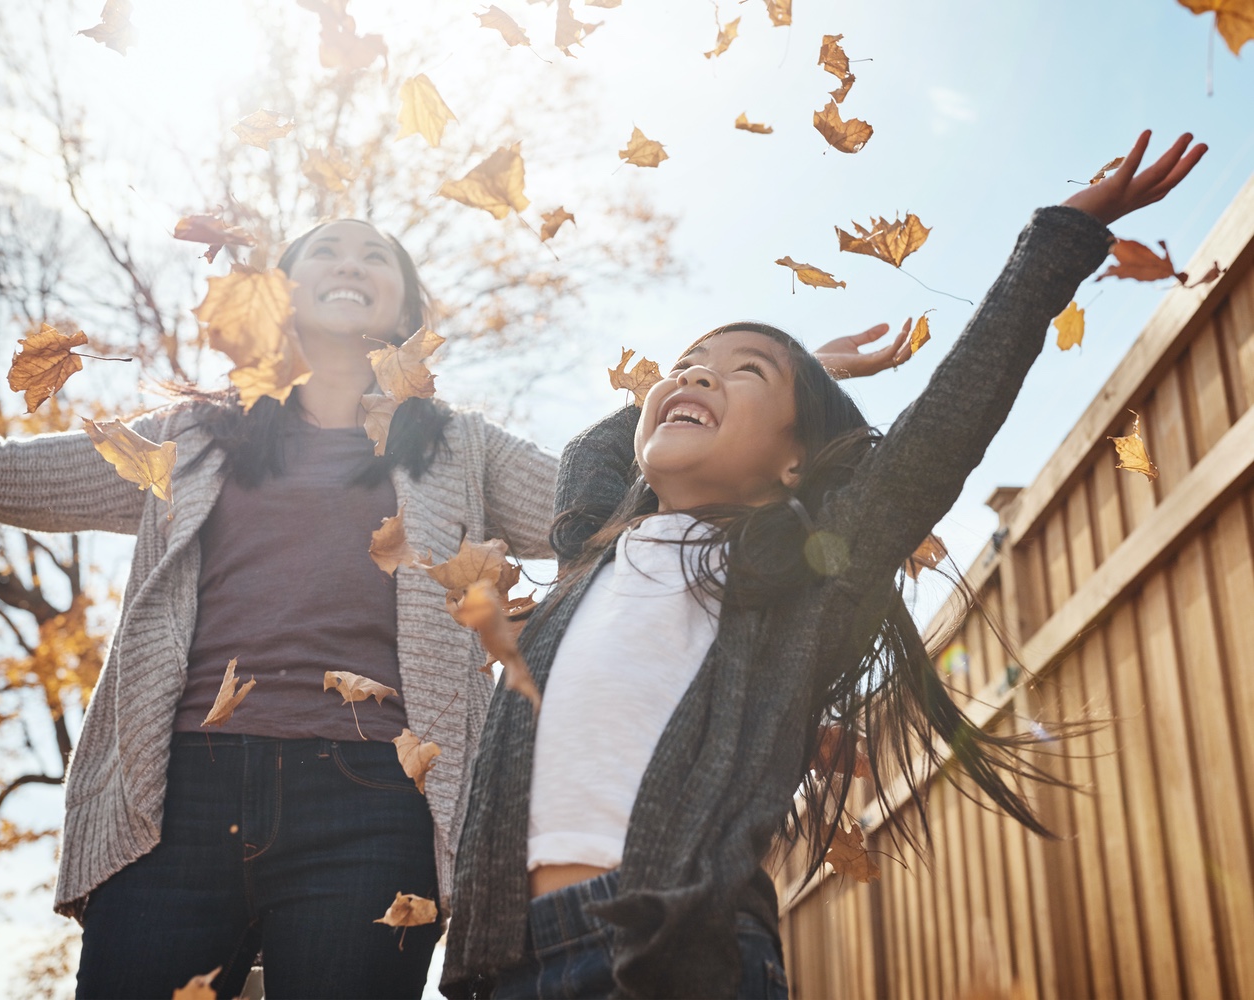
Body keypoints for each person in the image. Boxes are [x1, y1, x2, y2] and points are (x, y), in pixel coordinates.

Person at [0, 217, 911, 998]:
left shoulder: (454, 447)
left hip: (374, 815)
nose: (350, 261)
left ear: (404, 302)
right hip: (173, 805)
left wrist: (789, 392)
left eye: (377, 255)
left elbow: (615, 512)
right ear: (283, 294)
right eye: (324, 251)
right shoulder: (192, 435)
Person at [441, 130, 1205, 1000]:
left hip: (675, 948)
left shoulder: (788, 577)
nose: (695, 375)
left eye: (743, 372)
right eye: (687, 365)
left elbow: (940, 431)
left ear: (796, 464)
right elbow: (597, 445)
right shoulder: (593, 545)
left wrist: (1058, 241)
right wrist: (787, 374)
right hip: (498, 961)